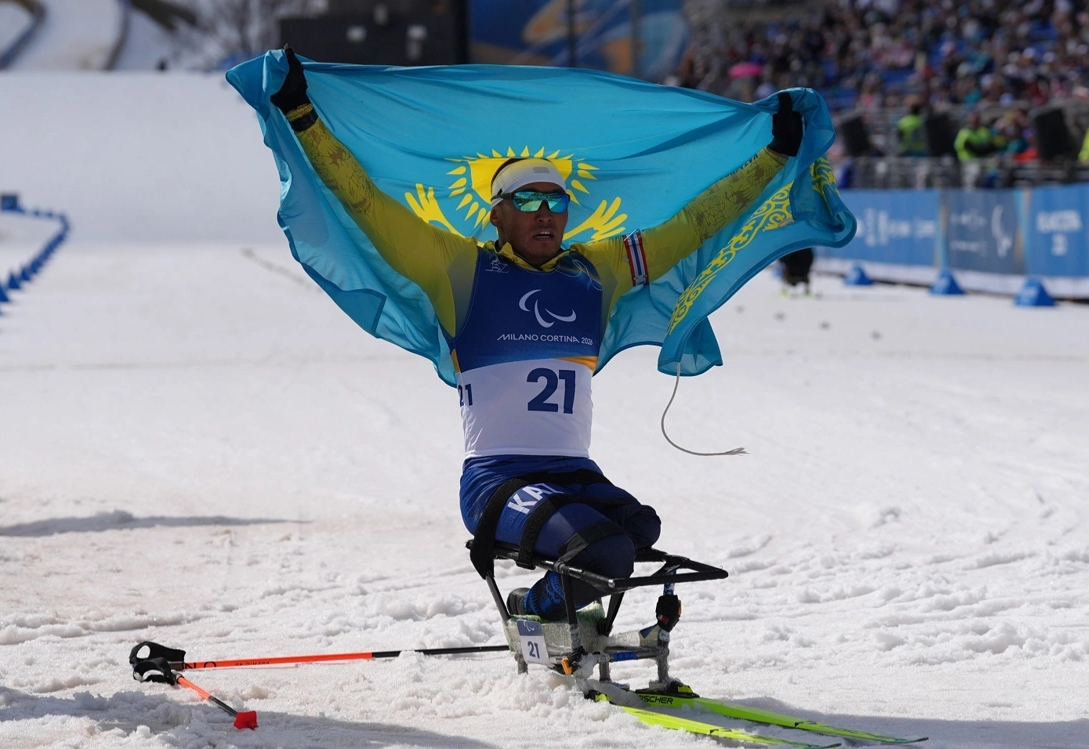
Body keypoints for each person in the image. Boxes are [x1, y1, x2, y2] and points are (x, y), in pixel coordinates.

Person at [268, 48, 804, 621]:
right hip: (499, 479)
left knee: (639, 528)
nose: (544, 212)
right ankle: (534, 612)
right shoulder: (460, 268)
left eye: (555, 200)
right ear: (496, 214)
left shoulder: (599, 270)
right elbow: (365, 202)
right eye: (526, 201)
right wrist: (303, 114)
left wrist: (775, 156)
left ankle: (563, 611)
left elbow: (698, 222)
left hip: (574, 476)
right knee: (603, 550)